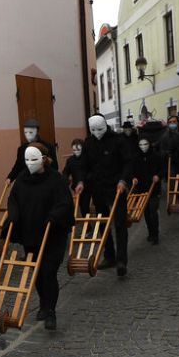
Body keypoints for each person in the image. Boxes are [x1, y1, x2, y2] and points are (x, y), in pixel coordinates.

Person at [2, 144, 73, 330]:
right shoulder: (22, 180)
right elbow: (13, 201)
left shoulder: (56, 179)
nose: (30, 164)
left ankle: (51, 311)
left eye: (34, 160)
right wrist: (13, 217)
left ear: (44, 159)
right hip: (31, 233)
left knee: (48, 272)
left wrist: (54, 216)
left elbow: (65, 203)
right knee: (37, 274)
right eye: (27, 160)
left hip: (52, 234)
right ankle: (43, 302)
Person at [74, 115, 133, 277]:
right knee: (101, 223)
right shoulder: (88, 143)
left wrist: (123, 180)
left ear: (105, 126)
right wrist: (80, 181)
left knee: (120, 223)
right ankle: (109, 255)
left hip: (116, 187)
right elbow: (82, 165)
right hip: (97, 188)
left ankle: (122, 260)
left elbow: (128, 161)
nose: (97, 133)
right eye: (93, 130)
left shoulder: (118, 140)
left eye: (99, 129)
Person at [132, 136, 164, 244]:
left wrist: (158, 176)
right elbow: (133, 171)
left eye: (145, 144)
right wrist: (134, 178)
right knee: (146, 213)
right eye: (141, 145)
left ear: (149, 144)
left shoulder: (156, 156)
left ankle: (156, 235)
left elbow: (163, 169)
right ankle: (150, 232)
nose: (143, 147)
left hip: (154, 188)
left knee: (153, 212)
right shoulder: (136, 158)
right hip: (142, 189)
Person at [62, 138, 90, 216]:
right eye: (74, 150)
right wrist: (64, 178)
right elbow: (66, 171)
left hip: (87, 186)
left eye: (78, 150)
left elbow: (90, 172)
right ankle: (86, 224)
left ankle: (87, 226)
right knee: (80, 205)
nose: (76, 152)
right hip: (76, 186)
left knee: (85, 206)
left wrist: (83, 181)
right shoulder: (70, 160)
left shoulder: (87, 159)